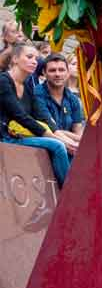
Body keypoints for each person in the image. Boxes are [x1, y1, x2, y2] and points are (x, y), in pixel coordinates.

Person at [0, 41, 69, 185]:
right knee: (58, 146)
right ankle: (72, 194)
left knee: (71, 149)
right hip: (6, 138)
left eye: (36, 58)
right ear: (15, 59)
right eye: (29, 57)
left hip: (20, 136)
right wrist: (56, 139)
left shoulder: (27, 86)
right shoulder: (3, 81)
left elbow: (42, 116)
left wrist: (67, 140)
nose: (35, 61)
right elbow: (20, 116)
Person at [35, 52, 85, 155]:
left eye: (61, 70)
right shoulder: (37, 94)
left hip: (72, 148)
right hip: (44, 150)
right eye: (52, 70)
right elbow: (51, 129)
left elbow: (78, 132)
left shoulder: (73, 99)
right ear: (44, 73)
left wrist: (77, 141)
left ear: (67, 73)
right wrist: (77, 141)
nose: (57, 74)